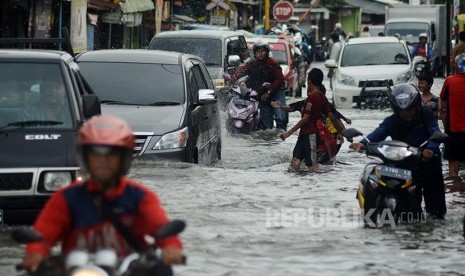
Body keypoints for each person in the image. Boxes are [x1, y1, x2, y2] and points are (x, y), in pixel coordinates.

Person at [21, 115, 183, 274]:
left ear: (123, 159)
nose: (103, 161)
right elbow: (43, 235)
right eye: (96, 154)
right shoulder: (66, 197)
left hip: (128, 270)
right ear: (85, 157)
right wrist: (35, 252)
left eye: (111, 154)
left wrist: (171, 247)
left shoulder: (140, 197)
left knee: (163, 270)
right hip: (76, 269)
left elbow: (160, 227)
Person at [350, 83, 446, 219]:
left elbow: (435, 133)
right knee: (411, 212)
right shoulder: (392, 121)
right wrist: (362, 144)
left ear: (416, 106)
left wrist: (428, 150)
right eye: (402, 110)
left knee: (437, 213)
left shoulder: (426, 115)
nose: (406, 113)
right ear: (396, 109)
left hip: (429, 165)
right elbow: (379, 132)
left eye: (410, 109)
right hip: (406, 166)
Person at [277, 68, 343, 173]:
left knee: (312, 167)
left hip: (311, 135)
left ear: (309, 81)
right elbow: (332, 116)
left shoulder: (312, 98)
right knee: (295, 162)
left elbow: (306, 118)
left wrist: (288, 132)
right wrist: (341, 132)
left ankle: (319, 186)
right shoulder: (323, 98)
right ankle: (297, 186)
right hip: (303, 135)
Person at [229, 40, 287, 130]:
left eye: (262, 51)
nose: (260, 54)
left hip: (276, 92)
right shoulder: (252, 64)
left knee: (280, 118)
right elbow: (240, 72)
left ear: (267, 52)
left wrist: (269, 92)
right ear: (255, 53)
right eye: (258, 52)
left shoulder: (273, 63)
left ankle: (282, 133)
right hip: (262, 94)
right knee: (267, 124)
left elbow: (279, 79)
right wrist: (230, 81)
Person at [439, 53, 465, 180]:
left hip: (453, 131)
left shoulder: (449, 81)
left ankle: (455, 192)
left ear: (455, 65)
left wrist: (445, 127)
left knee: (453, 170)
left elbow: (442, 105)